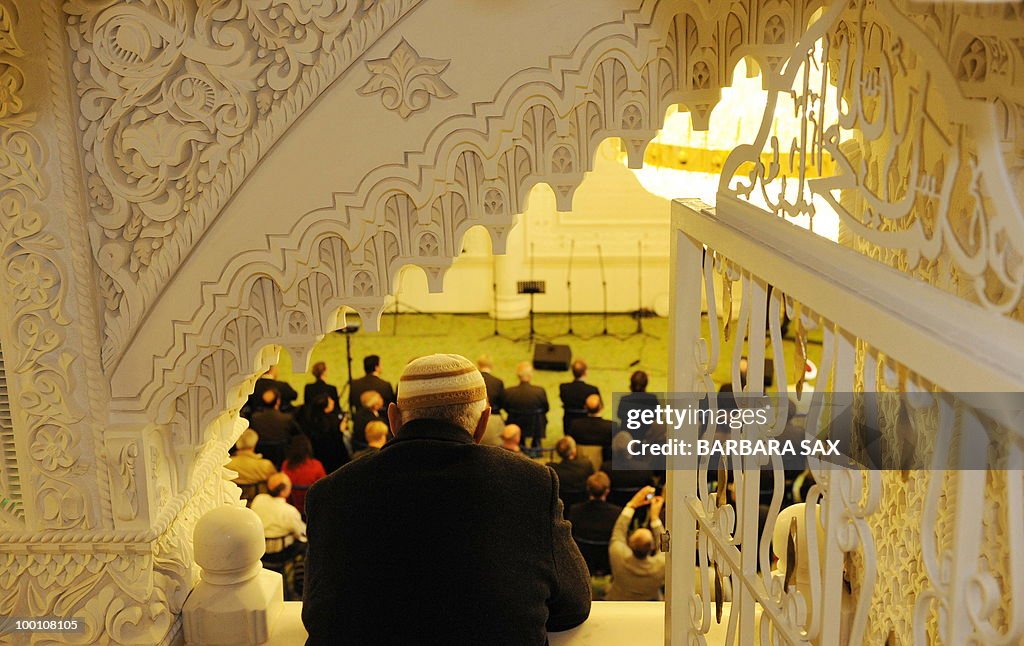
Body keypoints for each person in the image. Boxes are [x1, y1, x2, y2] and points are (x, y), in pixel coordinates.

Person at [303, 353, 590, 644]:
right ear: (483, 424)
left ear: (393, 419)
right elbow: (574, 606)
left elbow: (317, 614)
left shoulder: (330, 492)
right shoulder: (532, 483)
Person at [607, 486, 666, 601]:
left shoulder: (617, 554)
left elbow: (619, 530)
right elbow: (665, 547)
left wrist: (632, 504)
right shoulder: (661, 565)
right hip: (650, 604)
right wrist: (654, 518)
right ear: (653, 547)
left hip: (617, 600)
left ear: (629, 543)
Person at [567, 472, 622, 575]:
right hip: (607, 560)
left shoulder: (575, 510)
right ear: (607, 491)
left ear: (588, 490)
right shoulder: (617, 513)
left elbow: (571, 537)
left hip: (583, 558)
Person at [251, 473, 307, 557]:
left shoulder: (258, 499)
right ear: (283, 491)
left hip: (257, 548)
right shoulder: (290, 511)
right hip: (280, 553)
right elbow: (301, 534)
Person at [250, 388, 302, 469]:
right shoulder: (286, 418)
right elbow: (298, 435)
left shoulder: (255, 418)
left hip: (261, 457)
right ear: (278, 401)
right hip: (281, 457)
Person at [300, 392, 349, 474]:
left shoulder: (310, 418)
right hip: (334, 458)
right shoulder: (331, 423)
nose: (333, 401)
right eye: (330, 402)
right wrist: (340, 430)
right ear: (325, 409)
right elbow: (336, 443)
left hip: (317, 454)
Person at [503, 361, 549, 448]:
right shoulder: (539, 391)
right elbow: (546, 408)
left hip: (515, 422)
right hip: (536, 425)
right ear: (530, 375)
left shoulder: (509, 392)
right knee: (541, 416)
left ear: (518, 376)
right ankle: (536, 445)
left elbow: (506, 408)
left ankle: (521, 443)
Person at [282, 435, 326, 515]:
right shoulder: (317, 466)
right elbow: (324, 489)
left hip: (291, 509)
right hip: (313, 509)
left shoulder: (286, 465)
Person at [615, 371, 659, 440]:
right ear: (645, 384)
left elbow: (619, 415)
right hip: (647, 437)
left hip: (629, 437)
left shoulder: (625, 399)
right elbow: (658, 416)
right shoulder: (652, 399)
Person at [559, 360, 600, 435]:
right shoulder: (592, 390)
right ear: (585, 373)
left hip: (568, 422)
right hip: (586, 422)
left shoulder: (563, 388)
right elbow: (597, 407)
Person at [549, 437, 595, 503]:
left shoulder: (553, 470)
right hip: (581, 503)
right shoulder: (586, 465)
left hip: (563, 505)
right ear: (573, 451)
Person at [569, 394, 614, 460]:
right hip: (604, 463)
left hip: (580, 461)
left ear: (585, 407)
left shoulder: (575, 425)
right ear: (601, 407)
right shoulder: (611, 427)